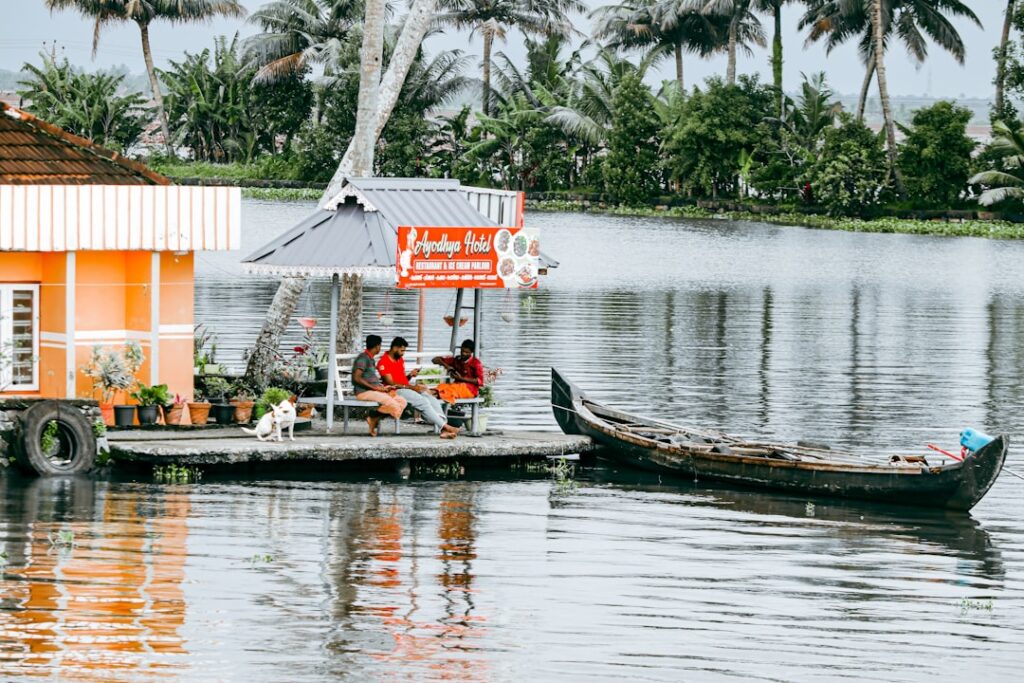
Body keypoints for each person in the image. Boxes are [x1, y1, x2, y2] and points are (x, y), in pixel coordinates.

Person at [378, 337, 460, 439]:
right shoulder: (383, 362)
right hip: (393, 391)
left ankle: (444, 430)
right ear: (395, 348)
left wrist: (410, 375)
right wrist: (413, 387)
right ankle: (447, 427)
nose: (403, 353)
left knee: (432, 399)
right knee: (422, 402)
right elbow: (391, 383)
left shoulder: (399, 359)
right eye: (402, 350)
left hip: (405, 389)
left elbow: (402, 381)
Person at [352, 334, 407, 437]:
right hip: (363, 392)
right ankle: (372, 417)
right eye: (380, 346)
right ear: (377, 346)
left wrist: (382, 388)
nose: (380, 348)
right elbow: (356, 378)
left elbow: (370, 379)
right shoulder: (363, 358)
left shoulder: (371, 359)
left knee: (402, 401)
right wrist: (375, 388)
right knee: (394, 405)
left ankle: (374, 418)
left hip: (374, 391)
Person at [432, 339, 484, 404]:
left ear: (471, 352)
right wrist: (446, 366)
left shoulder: (476, 363)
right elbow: (435, 360)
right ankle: (429, 396)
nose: (463, 353)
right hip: (456, 386)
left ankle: (430, 397)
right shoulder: (457, 359)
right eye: (462, 351)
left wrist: (461, 378)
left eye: (466, 352)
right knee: (441, 387)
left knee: (448, 390)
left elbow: (480, 381)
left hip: (469, 390)